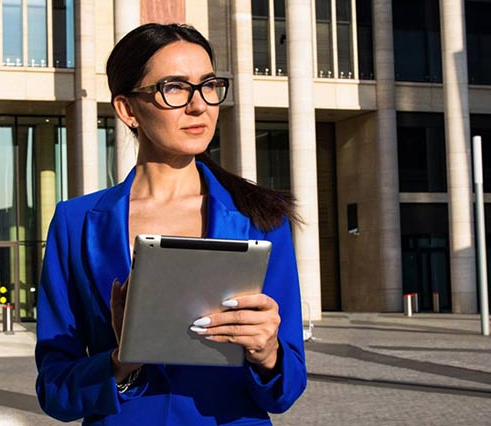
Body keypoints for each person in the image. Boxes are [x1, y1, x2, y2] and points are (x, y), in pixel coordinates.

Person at [35, 23, 307, 425]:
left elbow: (287, 389)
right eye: (175, 88)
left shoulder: (261, 218)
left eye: (208, 85)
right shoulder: (75, 223)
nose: (199, 105)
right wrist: (120, 362)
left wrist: (267, 354)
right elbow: (54, 390)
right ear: (128, 110)